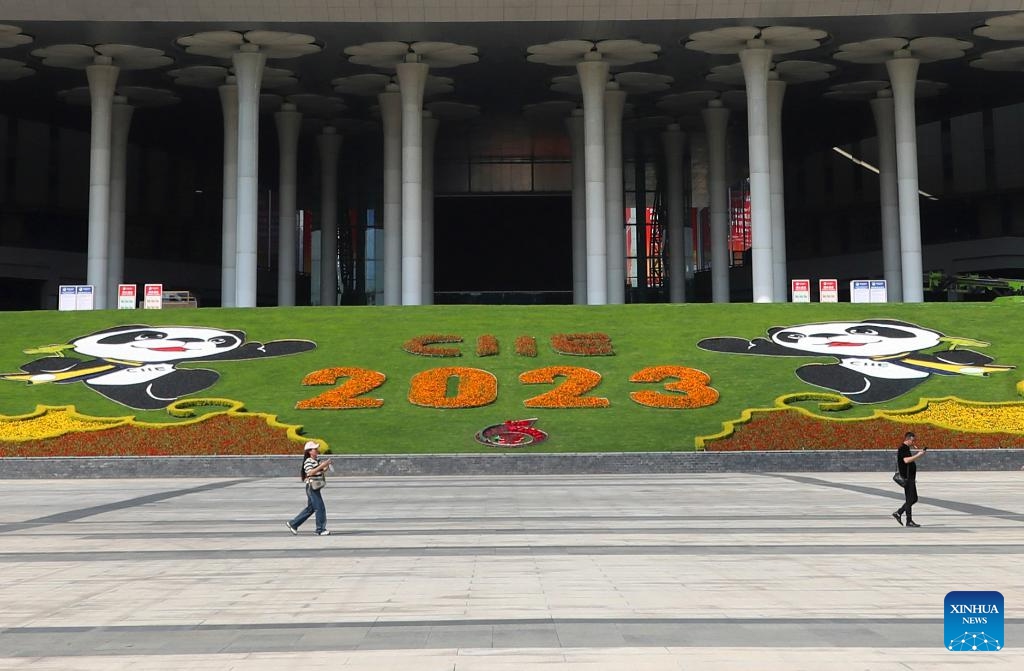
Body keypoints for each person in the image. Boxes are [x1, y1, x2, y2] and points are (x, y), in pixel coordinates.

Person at [286, 440, 332, 536]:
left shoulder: (317, 460)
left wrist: (326, 466)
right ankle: (320, 529)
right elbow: (310, 472)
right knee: (320, 508)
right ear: (309, 451)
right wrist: (322, 466)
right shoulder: (308, 461)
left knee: (311, 509)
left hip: (316, 486)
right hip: (311, 487)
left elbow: (320, 471)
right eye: (315, 449)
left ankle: (293, 524)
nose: (317, 450)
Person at [892, 431, 927, 528]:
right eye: (913, 440)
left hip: (910, 478)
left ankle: (906, 519)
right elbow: (906, 460)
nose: (914, 442)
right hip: (907, 478)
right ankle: (901, 514)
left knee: (910, 499)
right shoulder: (903, 448)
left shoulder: (906, 448)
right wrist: (919, 455)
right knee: (912, 498)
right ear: (908, 439)